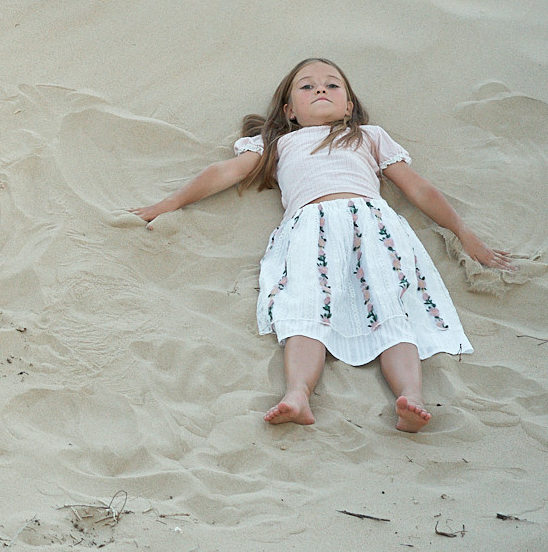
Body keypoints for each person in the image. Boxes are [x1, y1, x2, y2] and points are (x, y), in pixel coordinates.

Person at [129, 57, 511, 432]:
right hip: (311, 228)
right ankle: (298, 393)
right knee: (304, 309)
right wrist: (170, 203)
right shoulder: (276, 142)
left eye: (332, 85)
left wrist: (464, 232)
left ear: (348, 106)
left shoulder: (368, 136)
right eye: (307, 86)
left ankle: (411, 397)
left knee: (392, 307)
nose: (320, 90)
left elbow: (419, 189)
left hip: (373, 226)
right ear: (289, 110)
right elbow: (224, 173)